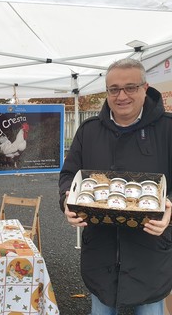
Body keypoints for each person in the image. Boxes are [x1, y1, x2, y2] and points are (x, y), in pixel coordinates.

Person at [59, 58, 172, 315]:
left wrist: (170, 211)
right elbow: (68, 175)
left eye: (130, 87)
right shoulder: (89, 131)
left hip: (151, 257)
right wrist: (67, 201)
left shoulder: (168, 129)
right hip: (101, 255)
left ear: (145, 88)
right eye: (114, 89)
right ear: (107, 92)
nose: (122, 96)